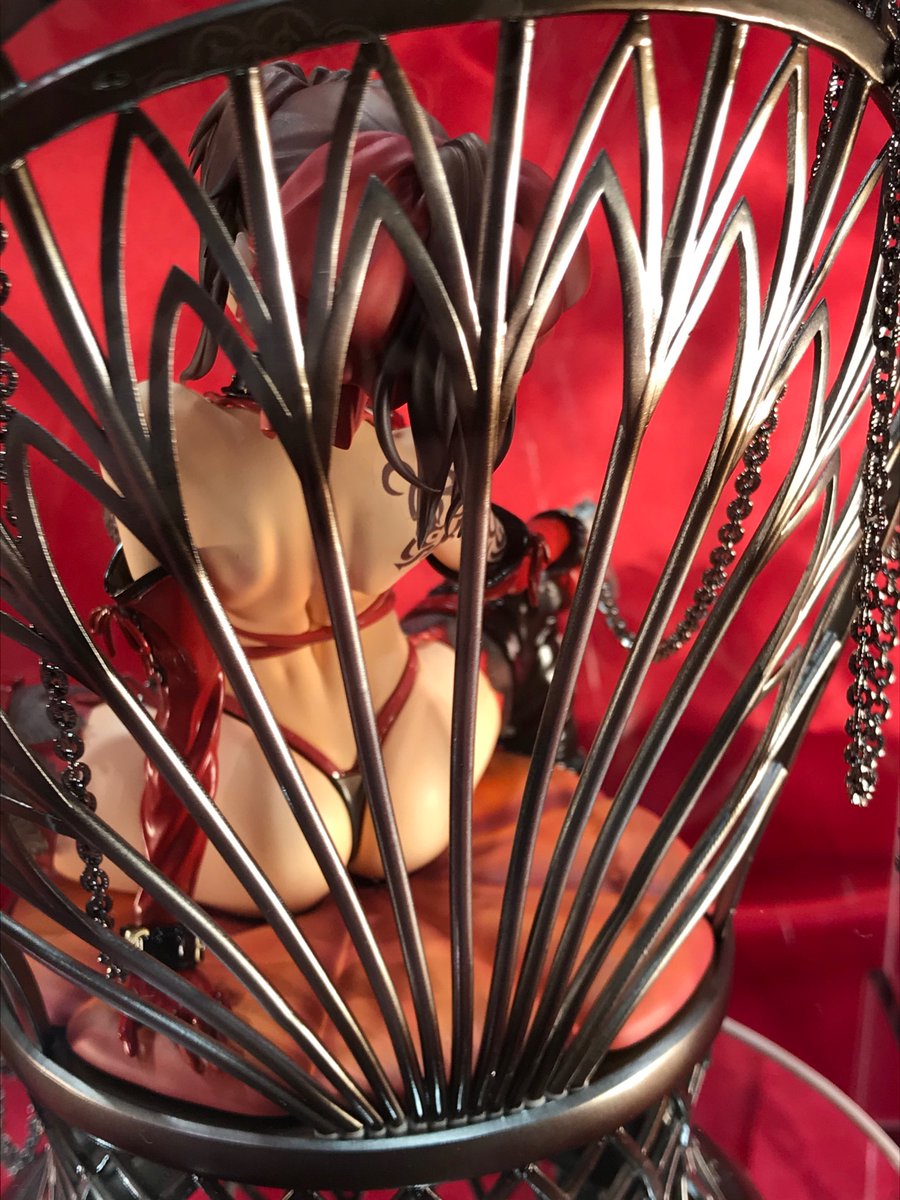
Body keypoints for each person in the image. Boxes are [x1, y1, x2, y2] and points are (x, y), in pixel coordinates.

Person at [53, 64, 590, 921]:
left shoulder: (161, 427)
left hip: (267, 788)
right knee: (461, 678)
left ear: (244, 254)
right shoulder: (422, 454)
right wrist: (560, 537)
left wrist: (165, 904)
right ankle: (505, 667)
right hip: (409, 769)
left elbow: (178, 669)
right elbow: (498, 555)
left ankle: (47, 761)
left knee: (87, 761)